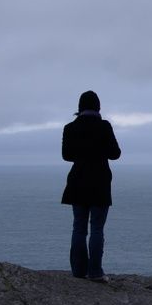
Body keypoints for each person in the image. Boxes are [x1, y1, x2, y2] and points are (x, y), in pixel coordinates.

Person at [61, 90, 121, 281]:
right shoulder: (104, 127)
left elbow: (67, 156)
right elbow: (115, 153)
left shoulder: (70, 128)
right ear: (98, 107)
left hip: (78, 181)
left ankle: (79, 271)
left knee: (79, 227)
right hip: (100, 182)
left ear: (79, 107)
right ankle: (95, 272)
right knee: (96, 228)